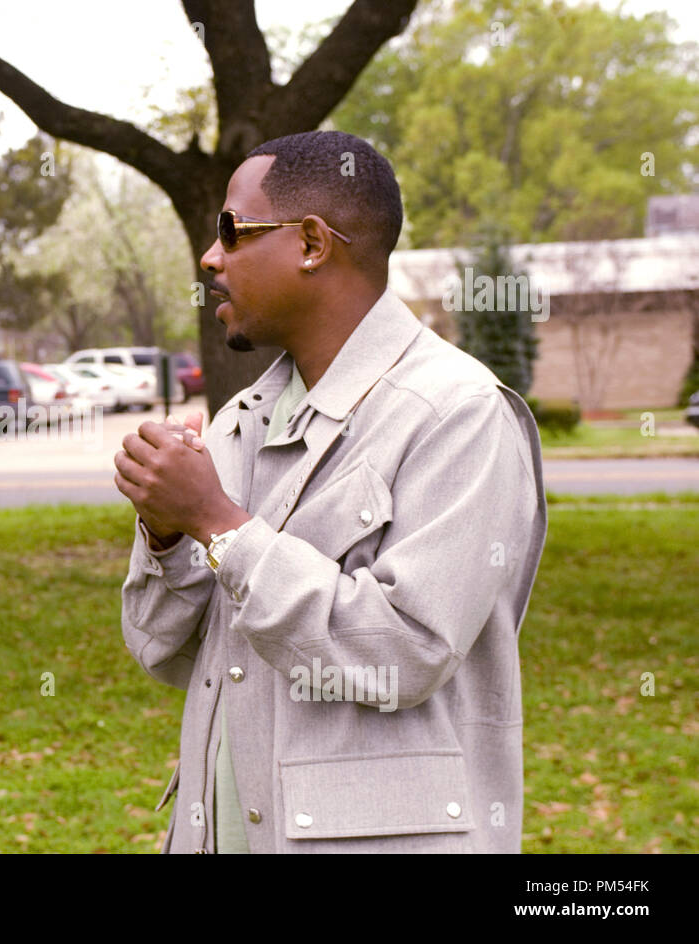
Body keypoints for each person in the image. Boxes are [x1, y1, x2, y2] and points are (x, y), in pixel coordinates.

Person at [114, 130, 546, 854]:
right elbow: (162, 650)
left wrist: (217, 523)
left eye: (232, 230)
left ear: (312, 243)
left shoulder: (459, 414)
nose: (210, 257)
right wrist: (165, 531)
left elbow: (406, 651)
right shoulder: (243, 418)